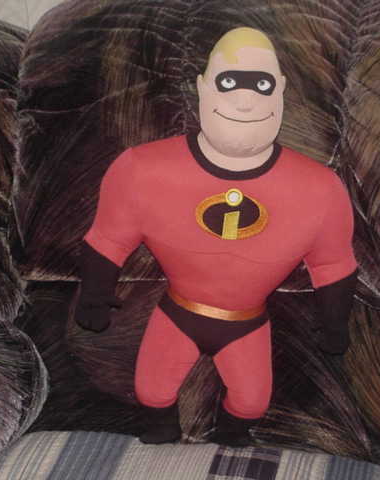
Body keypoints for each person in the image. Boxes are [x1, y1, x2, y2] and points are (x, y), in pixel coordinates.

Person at [75, 27, 358, 446]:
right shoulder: (142, 169)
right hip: (178, 310)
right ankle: (162, 427)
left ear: (280, 90)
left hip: (248, 320)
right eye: (229, 82)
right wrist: (94, 297)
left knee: (252, 403)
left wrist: (335, 324)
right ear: (203, 87)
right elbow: (107, 240)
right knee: (151, 391)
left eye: (261, 85)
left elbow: (333, 264)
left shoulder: (320, 189)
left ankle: (231, 434)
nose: (245, 101)